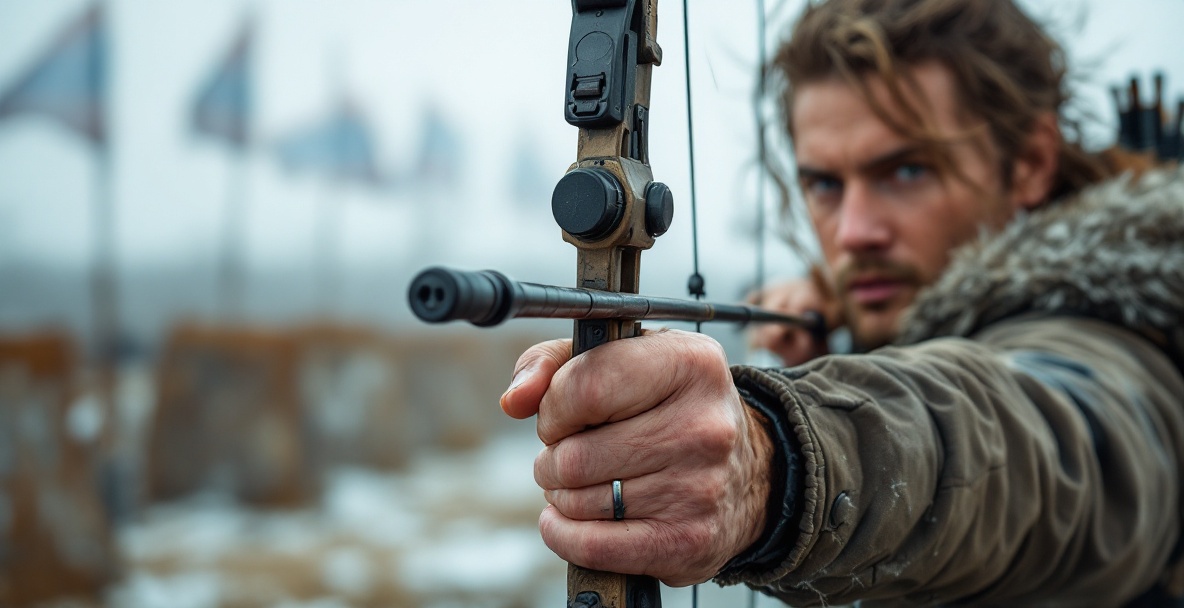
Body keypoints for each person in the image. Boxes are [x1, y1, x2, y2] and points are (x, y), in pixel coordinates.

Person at [500, 0, 1184, 604]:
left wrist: (773, 460)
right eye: (825, 184)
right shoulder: (854, 321)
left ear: (1031, 162)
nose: (855, 232)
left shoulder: (1120, 336)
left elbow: (1028, 445)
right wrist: (850, 349)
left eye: (907, 171)